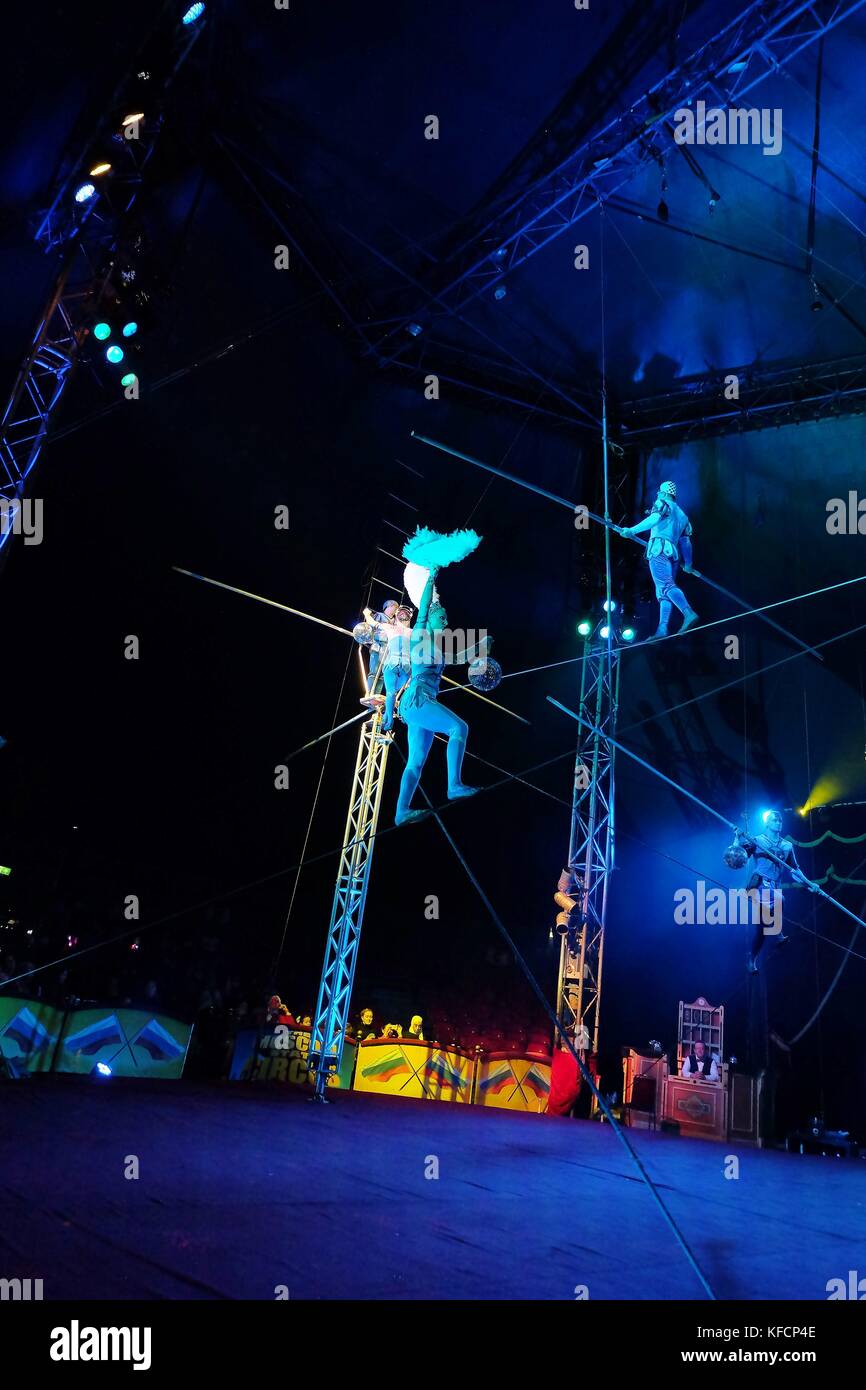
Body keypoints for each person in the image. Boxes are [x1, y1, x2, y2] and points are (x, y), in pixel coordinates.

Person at [394, 546, 480, 827]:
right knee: (460, 728)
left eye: (445, 618)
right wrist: (431, 575)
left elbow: (457, 657)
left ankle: (401, 811)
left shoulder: (440, 646)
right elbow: (426, 606)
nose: (445, 621)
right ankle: (453, 785)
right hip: (417, 700)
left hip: (417, 704)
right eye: (441, 617)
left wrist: (480, 649)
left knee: (415, 762)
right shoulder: (421, 632)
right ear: (430, 618)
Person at [734, 811, 818, 973]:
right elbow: (739, 857)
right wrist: (737, 837)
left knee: (762, 930)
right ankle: (778, 932)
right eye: (774, 820)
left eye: (780, 820)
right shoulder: (757, 840)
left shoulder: (787, 846)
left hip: (774, 886)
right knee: (781, 900)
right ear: (767, 823)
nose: (778, 822)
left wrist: (810, 884)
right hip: (759, 883)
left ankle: (752, 959)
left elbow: (795, 871)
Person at [618, 480, 698, 640]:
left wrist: (631, 530)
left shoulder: (661, 503)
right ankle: (662, 628)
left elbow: (654, 519)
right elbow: (686, 542)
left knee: (666, 586)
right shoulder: (683, 516)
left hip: (659, 548)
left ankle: (688, 612)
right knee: (663, 591)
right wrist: (688, 564)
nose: (658, 495)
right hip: (673, 554)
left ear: (665, 493)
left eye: (659, 492)